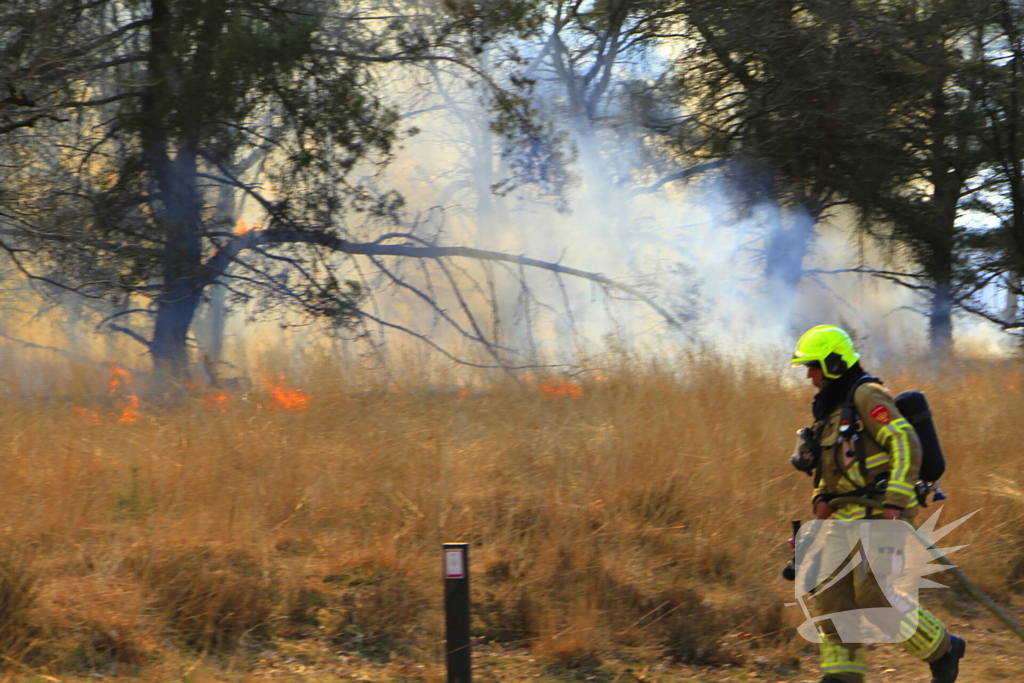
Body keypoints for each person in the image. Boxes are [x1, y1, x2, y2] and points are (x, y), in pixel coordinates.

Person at [789, 325, 966, 683]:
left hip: (878, 515)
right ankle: (841, 675)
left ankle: (944, 648)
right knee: (829, 594)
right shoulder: (832, 410)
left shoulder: (867, 395)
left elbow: (906, 443)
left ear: (834, 363)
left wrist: (896, 501)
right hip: (842, 517)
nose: (809, 374)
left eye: (813, 366)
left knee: (872, 595)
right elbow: (828, 468)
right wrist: (820, 498)